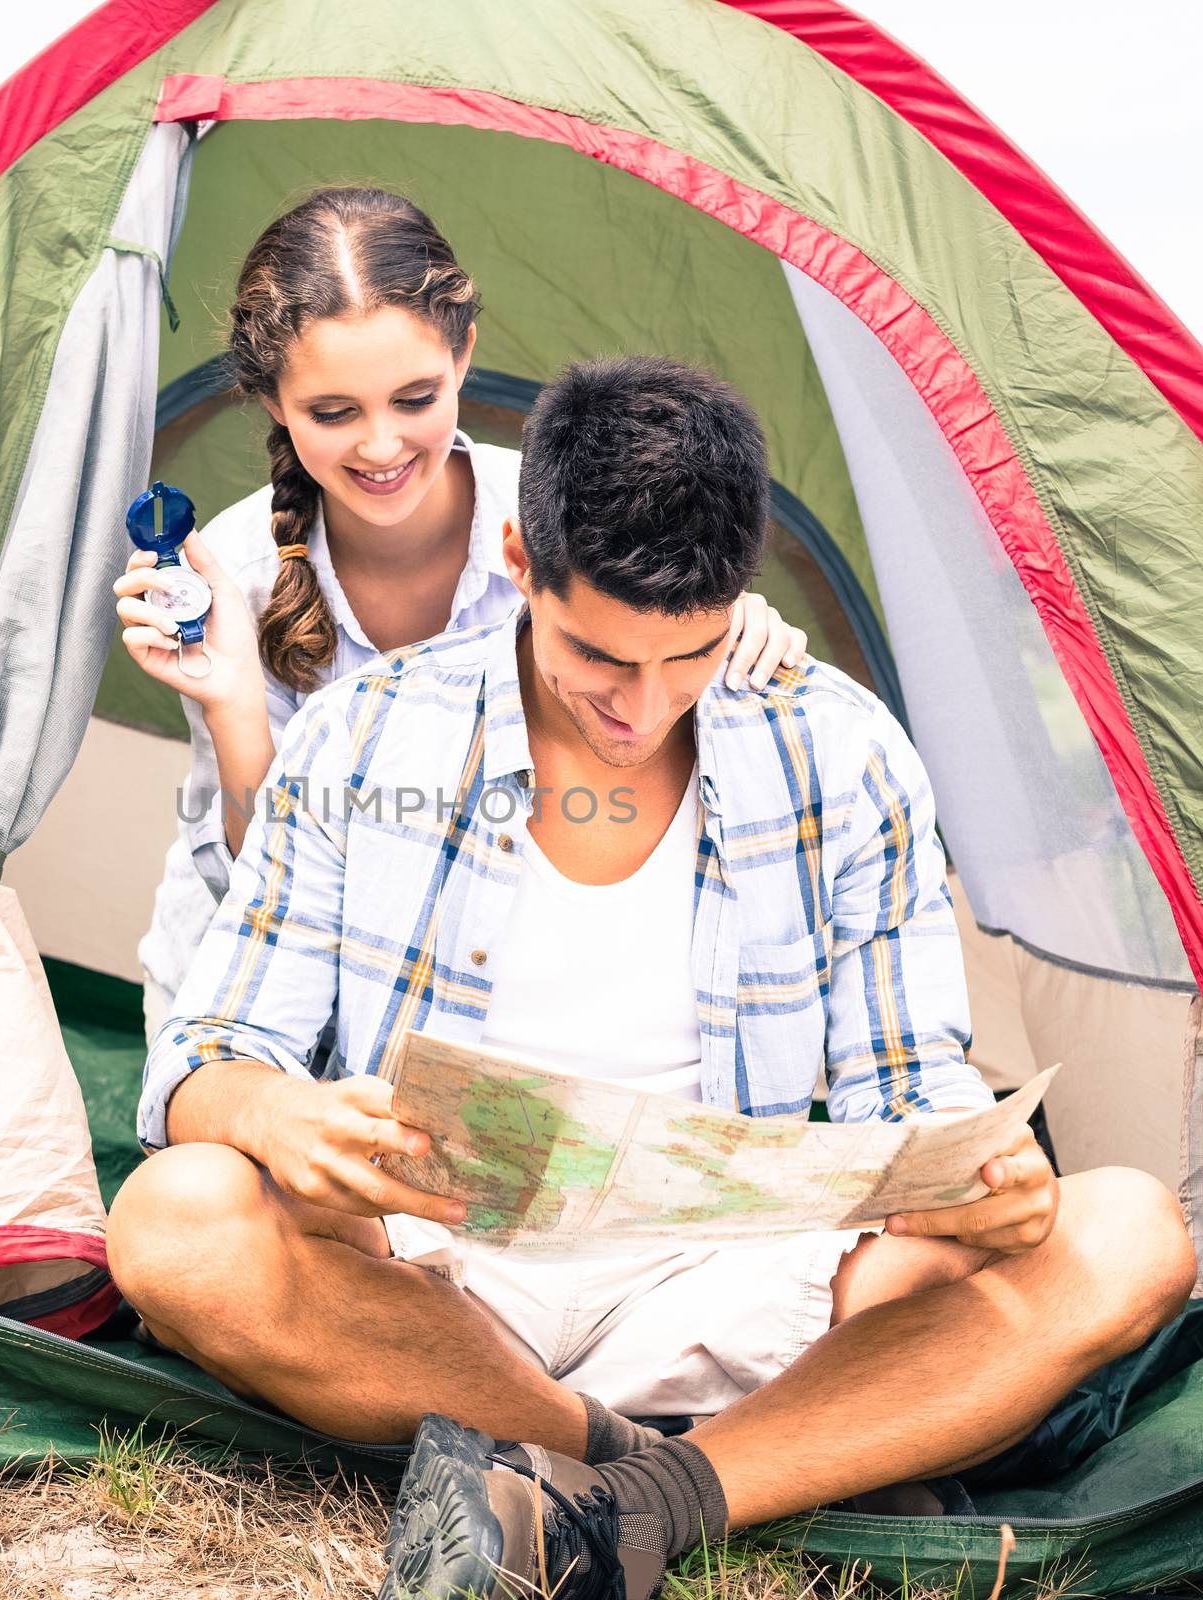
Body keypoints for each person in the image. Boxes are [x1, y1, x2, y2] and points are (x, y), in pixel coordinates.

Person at [108, 354, 1196, 1600]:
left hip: (734, 1276)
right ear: (519, 561)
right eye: (598, 656)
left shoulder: (841, 749)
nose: (641, 706)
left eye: (687, 655)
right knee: (176, 1218)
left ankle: (621, 1496)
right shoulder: (368, 735)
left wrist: (972, 1177)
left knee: (1124, 1232)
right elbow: (202, 1058)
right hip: (435, 1275)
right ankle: (698, 1463)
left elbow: (913, 1083)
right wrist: (274, 1112)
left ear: (738, 594)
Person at [115, 188, 806, 1040]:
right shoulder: (235, 573)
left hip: (483, 1007)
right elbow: (263, 890)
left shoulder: (567, 524)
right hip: (260, 1008)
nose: (380, 447)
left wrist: (704, 628)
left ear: (464, 354)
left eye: (415, 399)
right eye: (333, 413)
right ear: (271, 402)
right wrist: (232, 704)